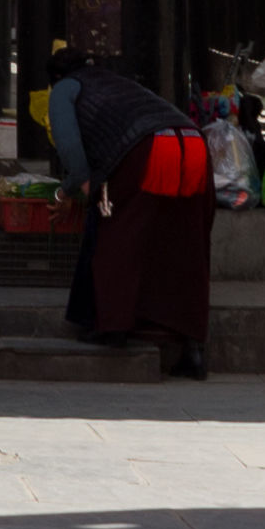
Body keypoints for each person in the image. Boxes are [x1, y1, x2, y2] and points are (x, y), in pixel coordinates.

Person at [38, 48, 215, 376]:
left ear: (55, 78)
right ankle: (192, 348)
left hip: (146, 149)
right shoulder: (116, 82)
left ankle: (113, 327)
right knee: (185, 245)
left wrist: (64, 193)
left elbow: (74, 160)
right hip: (191, 143)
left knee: (118, 236)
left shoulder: (64, 89)